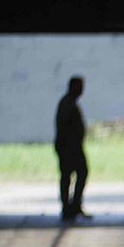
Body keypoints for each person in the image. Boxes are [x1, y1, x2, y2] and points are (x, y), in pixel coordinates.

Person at [55, 77, 90, 222]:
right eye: (79, 87)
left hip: (71, 146)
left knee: (71, 175)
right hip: (69, 147)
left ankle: (72, 205)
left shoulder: (68, 103)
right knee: (73, 174)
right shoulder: (67, 104)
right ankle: (70, 206)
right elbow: (66, 128)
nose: (82, 90)